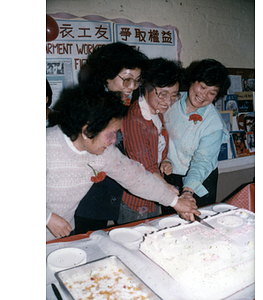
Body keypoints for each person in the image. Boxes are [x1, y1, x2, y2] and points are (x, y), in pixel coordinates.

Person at [46, 84, 199, 241]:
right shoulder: (46, 145)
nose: (114, 141)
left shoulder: (105, 152)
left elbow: (136, 177)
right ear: (87, 131)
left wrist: (176, 202)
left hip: (62, 230)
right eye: (110, 134)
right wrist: (47, 218)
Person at [73, 42, 149, 234]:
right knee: (87, 239)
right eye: (126, 80)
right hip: (87, 189)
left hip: (115, 185)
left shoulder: (125, 103)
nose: (132, 86)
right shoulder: (89, 105)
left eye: (137, 80)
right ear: (106, 76)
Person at [118, 58, 185, 224]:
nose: (168, 101)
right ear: (147, 88)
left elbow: (156, 148)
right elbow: (145, 167)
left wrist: (165, 160)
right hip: (136, 200)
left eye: (174, 95)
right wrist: (175, 196)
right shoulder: (135, 119)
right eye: (163, 94)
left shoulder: (157, 112)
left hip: (154, 193)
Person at [162, 59, 231, 216]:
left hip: (200, 179)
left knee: (197, 226)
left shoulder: (214, 123)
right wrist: (164, 158)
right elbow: (159, 135)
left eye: (212, 92)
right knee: (169, 223)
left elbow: (202, 161)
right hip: (170, 174)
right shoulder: (171, 101)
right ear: (193, 80)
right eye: (202, 86)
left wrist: (187, 191)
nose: (203, 95)